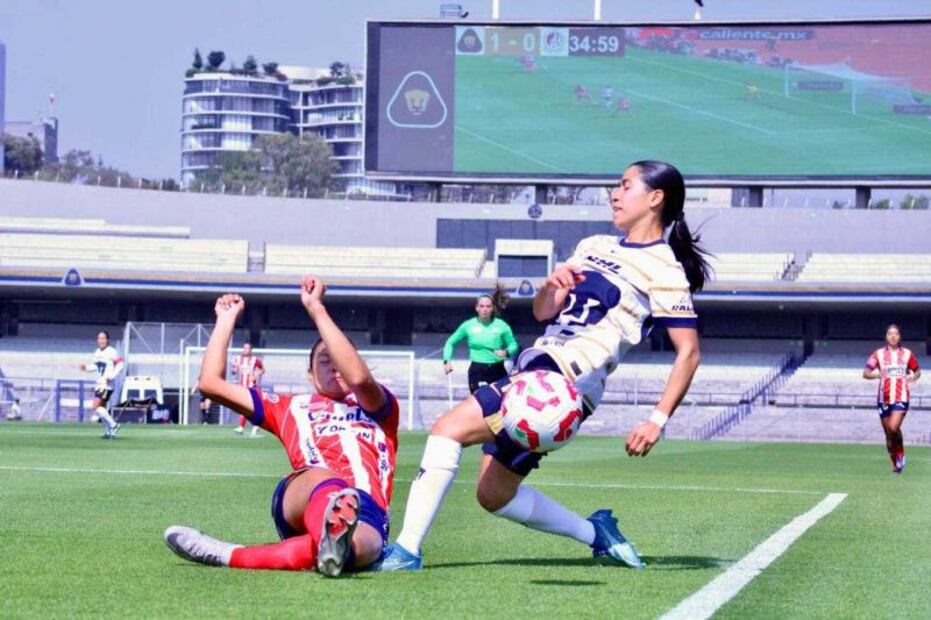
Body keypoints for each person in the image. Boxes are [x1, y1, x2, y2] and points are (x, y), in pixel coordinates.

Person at [377, 160, 708, 571]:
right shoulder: (593, 245)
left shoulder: (664, 269)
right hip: (536, 369)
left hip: (562, 383)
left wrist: (657, 420)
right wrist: (551, 286)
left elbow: (688, 351)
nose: (615, 194)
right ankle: (597, 533)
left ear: (656, 198)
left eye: (625, 186)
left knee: (447, 430)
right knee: (493, 494)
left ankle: (406, 551)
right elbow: (541, 313)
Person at [163, 276, 399, 577]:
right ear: (310, 374)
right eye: (326, 361)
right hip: (307, 492)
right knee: (324, 478)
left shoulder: (378, 407)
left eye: (341, 358)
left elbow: (360, 379)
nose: (336, 366)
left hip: (366, 510)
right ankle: (329, 527)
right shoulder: (290, 406)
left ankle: (226, 553)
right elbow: (210, 384)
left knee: (352, 552)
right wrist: (225, 320)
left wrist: (317, 309)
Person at [863, 324, 921, 474]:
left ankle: (900, 453)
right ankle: (895, 464)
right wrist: (877, 374)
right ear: (886, 337)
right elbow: (865, 372)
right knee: (888, 433)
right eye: (890, 334)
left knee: (894, 427)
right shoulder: (879, 354)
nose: (893, 336)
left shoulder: (907, 354)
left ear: (900, 337)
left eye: (896, 334)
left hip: (901, 396)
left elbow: (917, 371)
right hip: (883, 398)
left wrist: (913, 378)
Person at [443, 285, 519, 394]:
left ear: (492, 308)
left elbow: (514, 345)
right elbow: (450, 342)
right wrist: (447, 361)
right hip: (478, 371)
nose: (484, 310)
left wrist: (506, 352)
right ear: (476, 308)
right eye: (482, 306)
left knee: (504, 404)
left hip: (498, 370)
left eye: (488, 306)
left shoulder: (502, 326)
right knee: (482, 405)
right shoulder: (468, 325)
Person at [78, 330, 124, 439]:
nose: (101, 340)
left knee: (96, 406)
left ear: (107, 340)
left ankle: (114, 425)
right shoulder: (97, 352)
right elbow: (96, 367)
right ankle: (109, 432)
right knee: (102, 408)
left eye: (103, 338)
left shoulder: (111, 351)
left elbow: (120, 363)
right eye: (99, 338)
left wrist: (113, 375)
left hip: (107, 384)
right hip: (100, 383)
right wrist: (86, 368)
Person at [231, 342, 264, 436]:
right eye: (244, 348)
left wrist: (256, 375)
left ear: (250, 350)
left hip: (251, 386)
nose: (245, 350)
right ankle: (254, 426)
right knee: (245, 407)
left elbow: (262, 370)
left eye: (247, 348)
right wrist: (234, 370)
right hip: (241, 387)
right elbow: (233, 371)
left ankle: (243, 427)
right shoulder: (237, 359)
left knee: (248, 407)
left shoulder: (255, 360)